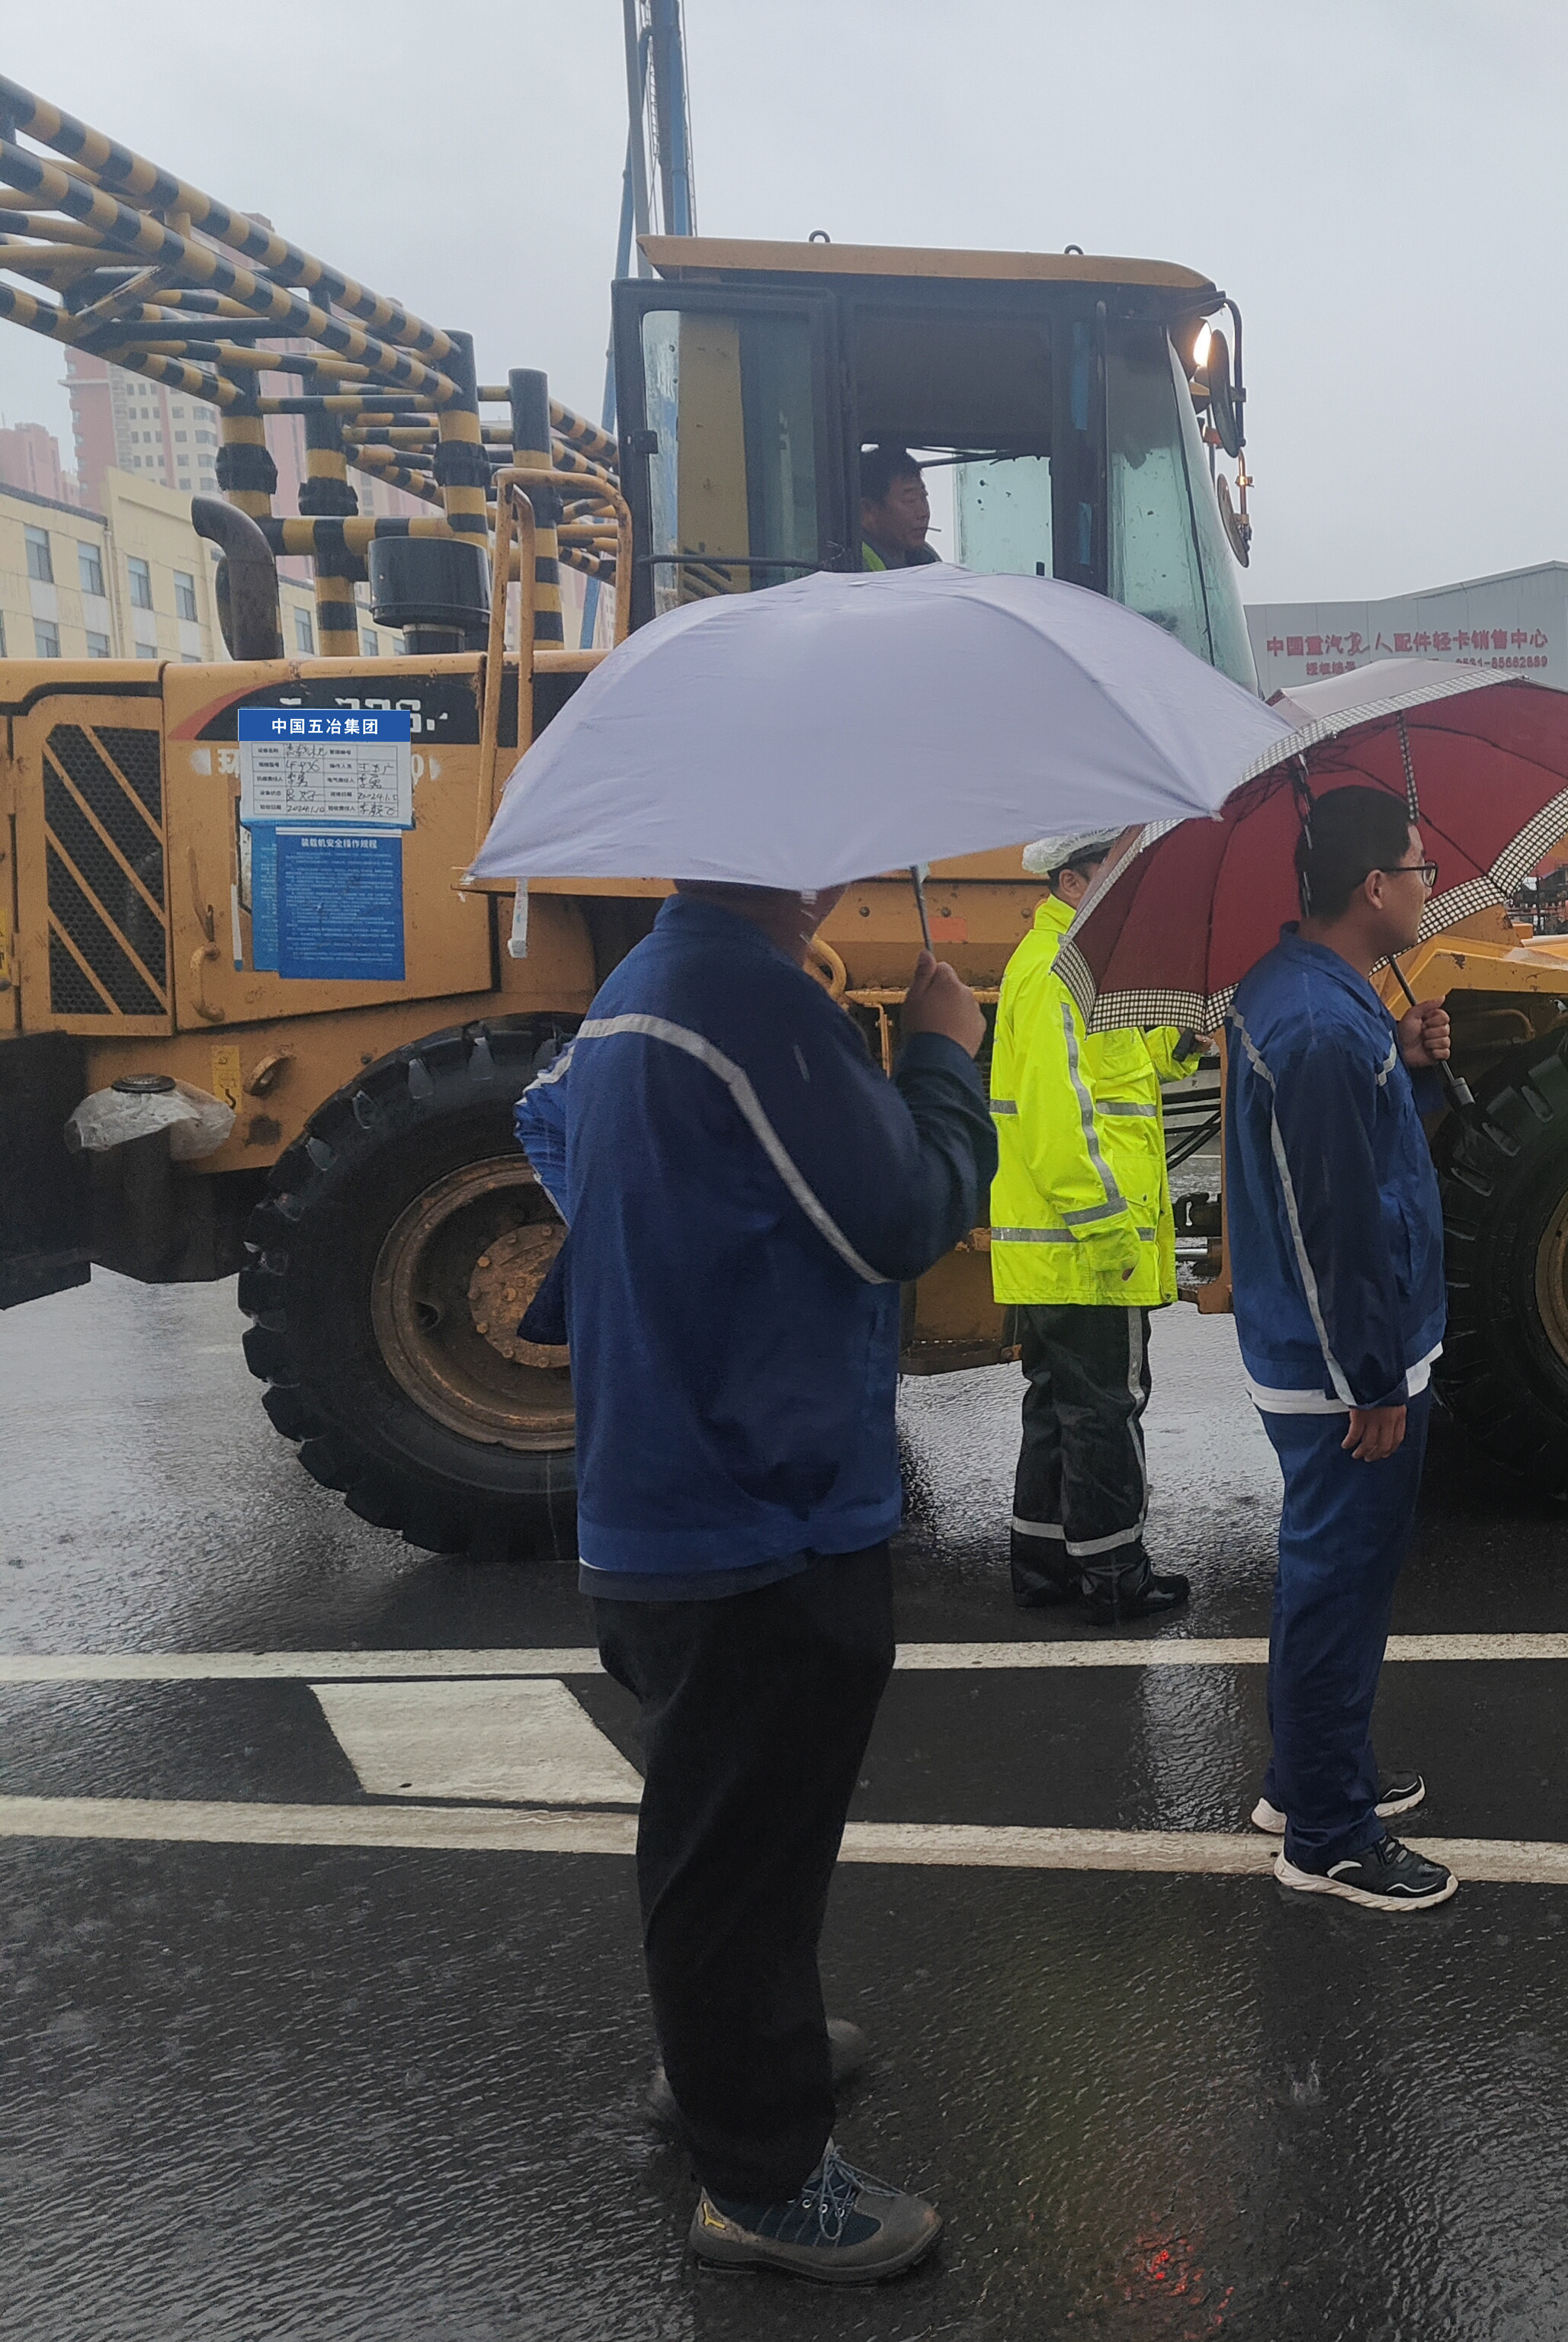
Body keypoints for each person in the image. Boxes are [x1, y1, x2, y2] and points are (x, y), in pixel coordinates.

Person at [515, 881, 996, 2281]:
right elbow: (907, 1213)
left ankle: (735, 2054)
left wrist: (686, 1267)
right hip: (753, 1503)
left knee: (744, 1829)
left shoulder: (647, 988)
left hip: (687, 1486)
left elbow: (544, 1122)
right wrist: (943, 1056)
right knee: (738, 1847)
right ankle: (761, 2179)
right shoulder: (748, 1000)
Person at [1223, 783, 1457, 1912]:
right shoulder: (1318, 1026)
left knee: (1336, 1580)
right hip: (1339, 1368)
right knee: (1338, 1585)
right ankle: (1325, 1833)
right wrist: (1371, 1379)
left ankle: (1311, 1776)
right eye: (1418, 868)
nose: (1428, 886)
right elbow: (1334, 1225)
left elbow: (1369, 1160)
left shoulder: (1310, 995)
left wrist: (1408, 1064)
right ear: (1373, 887)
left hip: (1326, 1352)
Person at [991, 829, 1198, 1624]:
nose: (1134, 880)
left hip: (1062, 1254)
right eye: (1117, 867)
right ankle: (1115, 1575)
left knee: (1059, 1406)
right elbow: (1060, 1125)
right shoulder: (1058, 972)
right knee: (1106, 1410)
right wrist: (1111, 1236)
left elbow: (1134, 1061)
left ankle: (1044, 1564)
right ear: (1072, 882)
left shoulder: (1077, 964)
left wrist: (1186, 1030)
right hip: (1088, 1252)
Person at [857, 444, 940, 571]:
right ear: (867, 511)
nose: (923, 513)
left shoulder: (927, 557)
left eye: (924, 497)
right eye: (911, 500)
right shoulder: (855, 565)